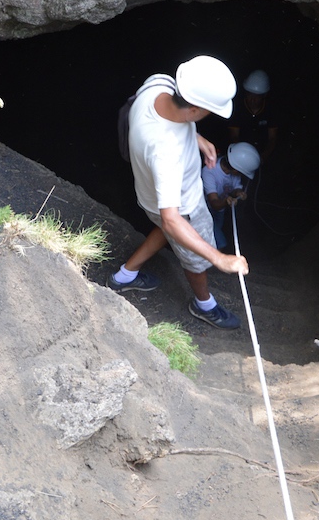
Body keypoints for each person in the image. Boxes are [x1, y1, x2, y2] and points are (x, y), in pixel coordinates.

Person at [109, 55, 249, 330]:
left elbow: (166, 122)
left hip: (150, 193)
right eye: (209, 110)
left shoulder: (158, 85)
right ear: (195, 109)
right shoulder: (167, 152)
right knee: (195, 258)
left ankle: (124, 276)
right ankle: (203, 304)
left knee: (164, 229)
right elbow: (172, 219)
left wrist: (195, 138)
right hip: (182, 206)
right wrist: (218, 257)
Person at [202, 142, 260, 252]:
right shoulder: (209, 171)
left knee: (214, 235)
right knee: (221, 243)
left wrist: (238, 193)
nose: (242, 175)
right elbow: (214, 203)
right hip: (206, 211)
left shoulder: (233, 172)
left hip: (220, 211)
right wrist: (226, 202)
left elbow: (235, 189)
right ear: (236, 169)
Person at [228, 69, 278, 162]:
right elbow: (234, 136)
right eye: (250, 95)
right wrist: (244, 156)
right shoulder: (238, 109)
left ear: (264, 95)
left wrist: (263, 156)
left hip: (264, 153)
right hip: (242, 154)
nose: (252, 100)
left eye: (256, 96)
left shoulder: (270, 110)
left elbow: (272, 138)